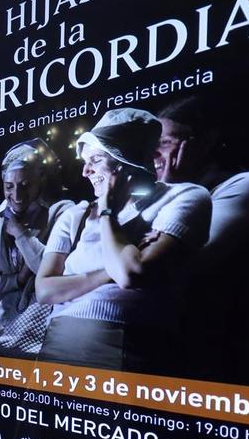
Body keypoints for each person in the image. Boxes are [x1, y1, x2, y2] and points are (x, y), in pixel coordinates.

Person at [35, 108, 212, 373]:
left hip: (132, 347)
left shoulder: (185, 197)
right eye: (85, 161)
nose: (85, 171)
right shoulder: (75, 215)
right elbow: (45, 291)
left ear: (127, 161)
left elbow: (130, 273)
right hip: (58, 342)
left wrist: (108, 209)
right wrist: (110, 272)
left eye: (95, 159)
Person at [154, 95, 249, 380]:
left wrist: (171, 185)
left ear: (204, 142)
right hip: (163, 345)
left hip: (212, 353)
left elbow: (179, 261)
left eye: (166, 142)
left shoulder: (245, 184)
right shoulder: (160, 193)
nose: (155, 154)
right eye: (153, 143)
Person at [0, 139, 73, 358]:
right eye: (9, 186)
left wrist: (21, 234)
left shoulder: (63, 212)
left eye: (25, 185)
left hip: (42, 332)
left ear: (41, 179)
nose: (17, 196)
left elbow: (52, 273)